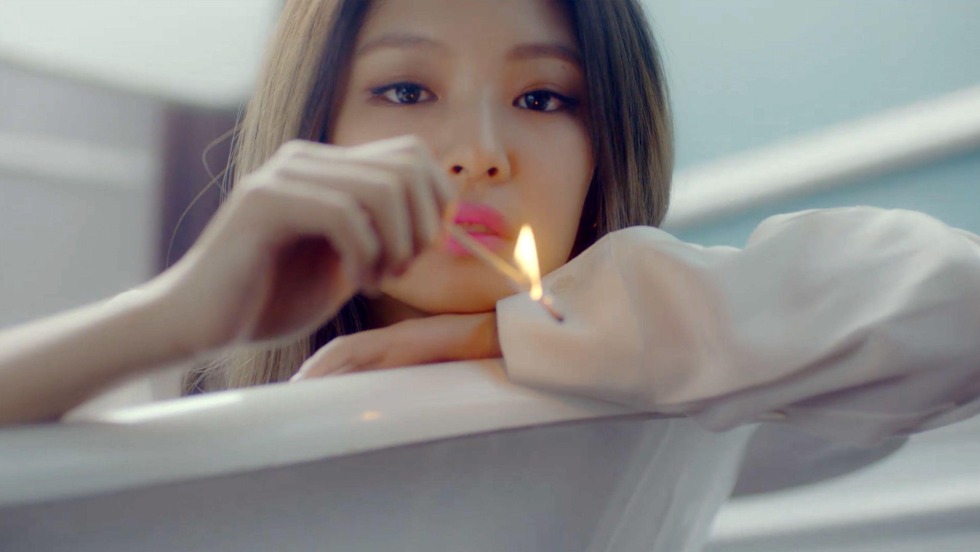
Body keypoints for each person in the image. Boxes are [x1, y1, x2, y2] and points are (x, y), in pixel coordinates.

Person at [1, 0, 979, 548]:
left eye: (543, 97)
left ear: (607, 149)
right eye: (405, 89)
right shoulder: (211, 449)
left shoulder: (678, 394)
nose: (475, 152)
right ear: (317, 132)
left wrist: (524, 338)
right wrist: (174, 318)